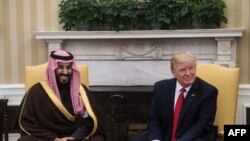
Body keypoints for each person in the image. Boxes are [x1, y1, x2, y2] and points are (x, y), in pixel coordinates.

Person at [14, 50, 105, 141]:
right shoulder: (36, 91)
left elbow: (89, 122)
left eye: (69, 67)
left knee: (98, 139)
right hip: (47, 137)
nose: (65, 72)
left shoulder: (82, 91)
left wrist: (73, 138)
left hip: (74, 137)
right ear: (52, 69)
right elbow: (27, 122)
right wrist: (54, 138)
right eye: (60, 67)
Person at [132, 51, 218, 141]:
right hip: (165, 136)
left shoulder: (208, 92)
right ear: (173, 72)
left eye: (191, 68)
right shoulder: (161, 88)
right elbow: (154, 119)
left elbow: (203, 125)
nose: (188, 73)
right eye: (183, 70)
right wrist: (156, 140)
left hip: (193, 137)